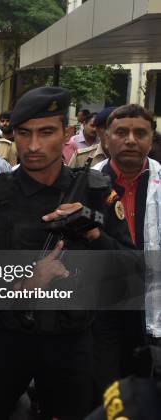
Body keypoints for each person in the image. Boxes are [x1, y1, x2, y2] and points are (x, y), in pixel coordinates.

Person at [0, 86, 137, 419]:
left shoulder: (96, 193)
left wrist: (93, 231)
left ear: (67, 133)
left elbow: (130, 269)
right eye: (24, 134)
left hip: (74, 344)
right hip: (5, 343)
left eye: (46, 132)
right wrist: (26, 283)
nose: (33, 146)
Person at [91, 104, 160, 391]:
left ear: (151, 139)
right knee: (104, 387)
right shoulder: (85, 182)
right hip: (102, 305)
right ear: (106, 139)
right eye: (121, 132)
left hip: (150, 299)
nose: (131, 139)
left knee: (145, 389)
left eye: (140, 133)